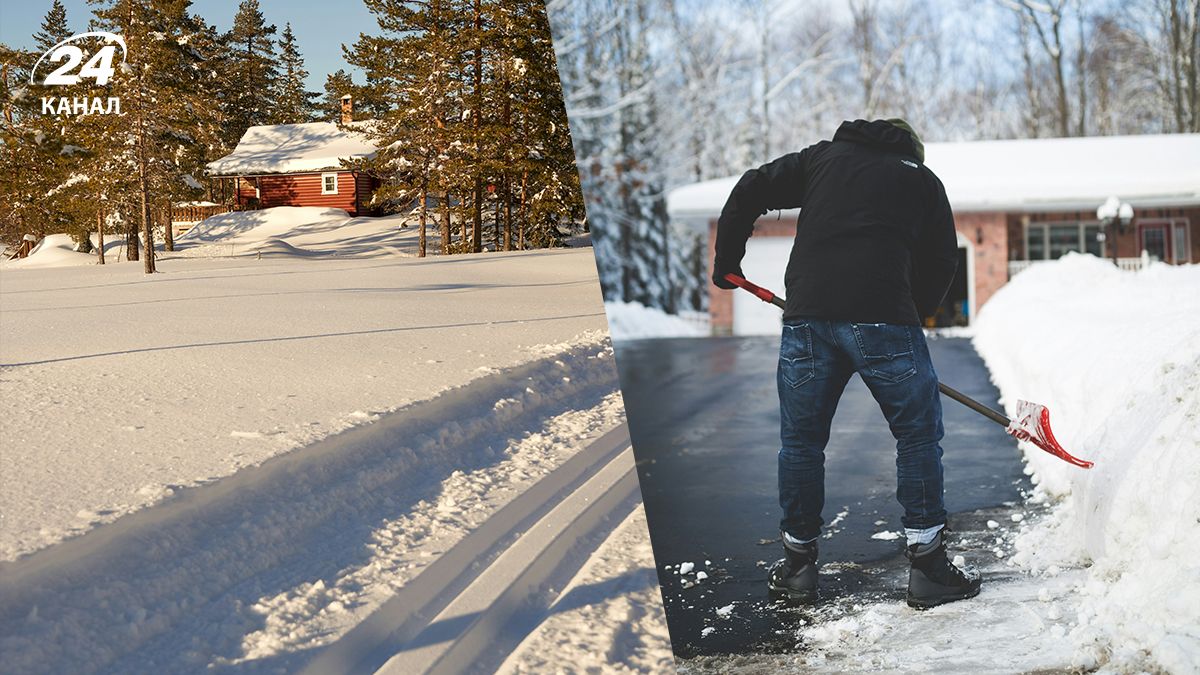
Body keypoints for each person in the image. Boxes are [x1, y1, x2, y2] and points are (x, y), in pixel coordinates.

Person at [711, 118, 981, 609]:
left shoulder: (820, 160)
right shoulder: (921, 180)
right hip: (885, 319)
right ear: (912, 150)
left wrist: (727, 258)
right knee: (917, 436)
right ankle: (928, 568)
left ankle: (797, 567)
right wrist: (906, 313)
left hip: (808, 318)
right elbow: (943, 259)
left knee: (801, 443)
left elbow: (751, 186)